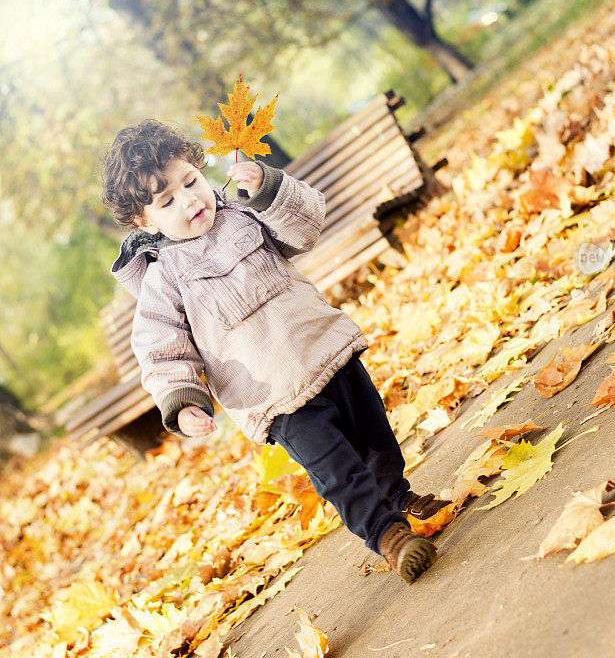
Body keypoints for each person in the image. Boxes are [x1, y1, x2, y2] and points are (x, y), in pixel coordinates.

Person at [100, 119, 448, 583]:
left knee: (375, 438)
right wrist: (182, 401)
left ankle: (398, 496)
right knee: (338, 471)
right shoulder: (164, 282)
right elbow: (160, 349)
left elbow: (305, 229)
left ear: (202, 171)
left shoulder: (243, 214)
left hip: (324, 348)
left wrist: (271, 189)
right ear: (145, 222)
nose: (189, 200)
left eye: (191, 181)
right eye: (167, 201)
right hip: (274, 396)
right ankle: (390, 537)